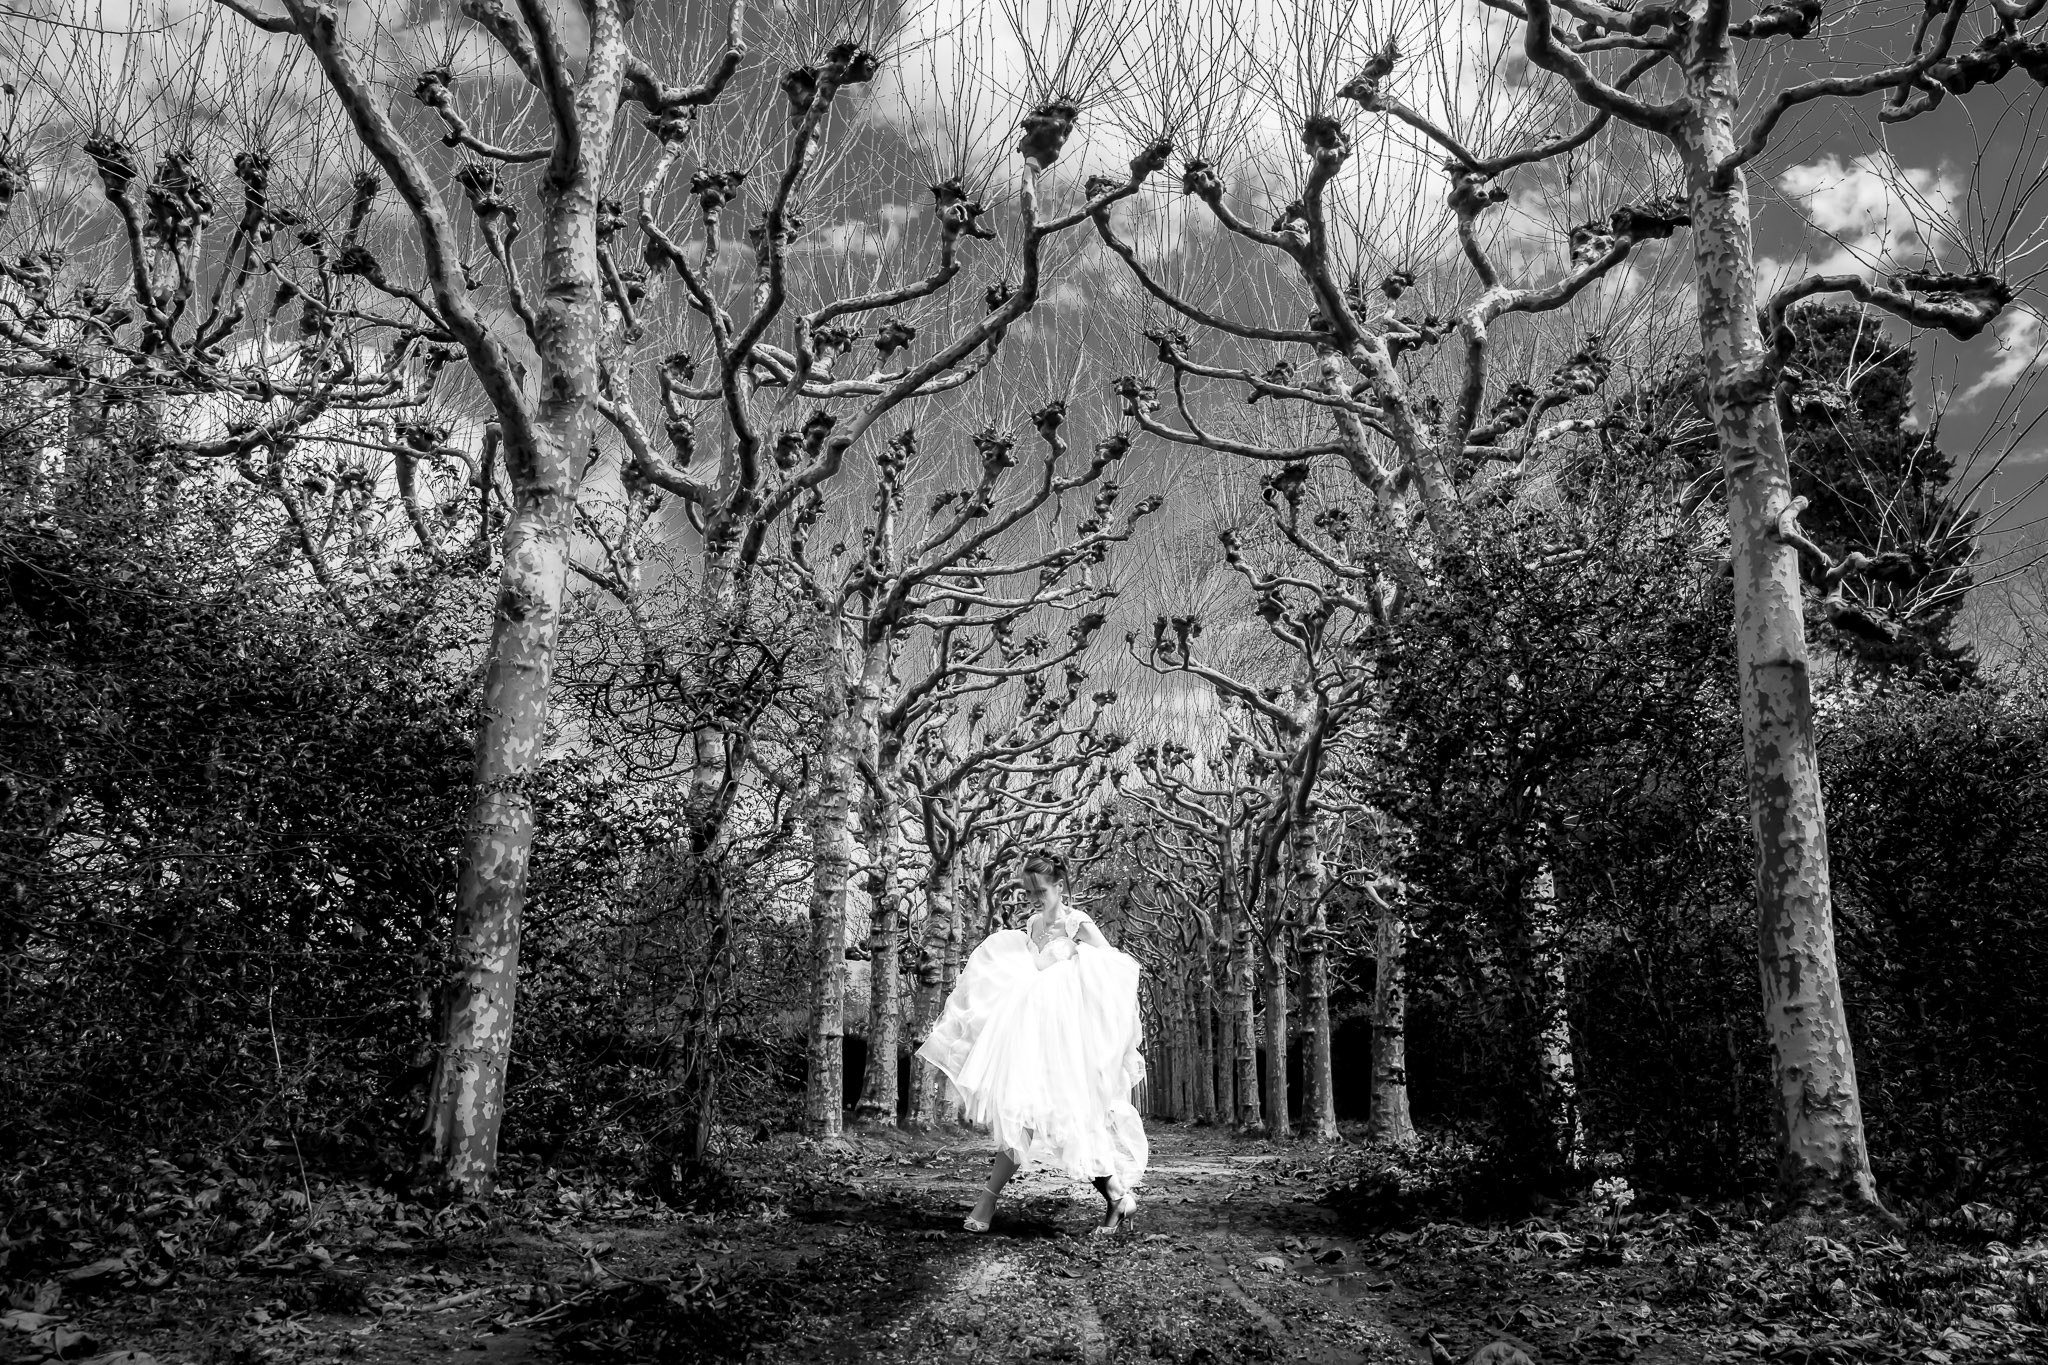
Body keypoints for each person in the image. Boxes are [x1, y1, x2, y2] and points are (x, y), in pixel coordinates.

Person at [914, 850, 1149, 1235]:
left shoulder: (1079, 925)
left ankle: (1117, 1198)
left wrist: (1078, 960)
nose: (1034, 898)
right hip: (1025, 1040)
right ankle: (989, 1201)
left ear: (1059, 886)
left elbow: (1118, 975)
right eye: (1028, 891)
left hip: (1064, 1044)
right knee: (1018, 1114)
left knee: (1068, 1125)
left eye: (1040, 890)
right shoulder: (1032, 924)